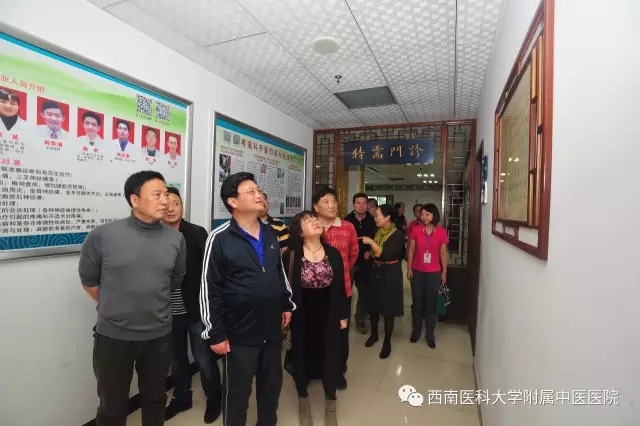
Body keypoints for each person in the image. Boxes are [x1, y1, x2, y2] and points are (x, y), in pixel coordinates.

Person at [78, 170, 187, 426]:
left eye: (167, 194)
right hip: (113, 336)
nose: (165, 201)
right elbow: (90, 281)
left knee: (155, 399)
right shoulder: (103, 235)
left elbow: (175, 280)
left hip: (158, 335)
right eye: (157, 195)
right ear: (134, 200)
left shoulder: (176, 239)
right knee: (112, 405)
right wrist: (118, 305)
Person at [200, 172, 295, 426]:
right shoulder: (219, 238)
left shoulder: (270, 232)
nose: (258, 195)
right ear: (233, 202)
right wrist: (215, 333)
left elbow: (278, 272)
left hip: (272, 329)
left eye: (258, 190)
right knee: (237, 394)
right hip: (239, 332)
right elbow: (209, 289)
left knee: (271, 387)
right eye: (251, 191)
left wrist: (286, 303)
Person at [161, 187, 221, 423]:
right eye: (166, 204)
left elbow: (210, 271)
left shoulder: (196, 233)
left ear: (182, 207)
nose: (171, 208)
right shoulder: (153, 235)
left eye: (176, 203)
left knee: (203, 358)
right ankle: (182, 398)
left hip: (195, 309)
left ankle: (214, 398)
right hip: (167, 313)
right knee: (176, 360)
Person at [283, 211, 349, 426]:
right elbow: (284, 289)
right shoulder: (290, 255)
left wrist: (342, 315)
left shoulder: (333, 253)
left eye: (315, 219)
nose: (315, 222)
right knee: (300, 355)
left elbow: (340, 288)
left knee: (331, 355)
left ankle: (331, 402)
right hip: (301, 314)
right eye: (308, 221)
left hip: (328, 312)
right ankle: (303, 400)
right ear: (300, 232)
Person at [312, 187, 358, 390]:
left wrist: (341, 274)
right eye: (326, 201)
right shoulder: (310, 227)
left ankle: (338, 370)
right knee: (316, 332)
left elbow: (353, 255)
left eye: (334, 201)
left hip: (341, 291)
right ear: (316, 207)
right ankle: (317, 367)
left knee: (340, 333)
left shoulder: (348, 227)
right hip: (313, 293)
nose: (332, 205)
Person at [359, 204, 405, 359]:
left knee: (388, 309)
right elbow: (376, 251)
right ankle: (374, 335)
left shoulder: (397, 234)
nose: (375, 218)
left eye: (378, 215)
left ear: (388, 217)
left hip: (390, 273)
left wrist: (371, 243)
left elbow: (385, 254)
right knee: (373, 305)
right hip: (376, 271)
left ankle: (387, 342)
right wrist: (369, 252)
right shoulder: (378, 231)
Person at [406, 203, 449, 348]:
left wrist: (444, 272)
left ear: (434, 215)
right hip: (417, 271)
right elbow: (411, 250)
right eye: (422, 214)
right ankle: (416, 331)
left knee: (431, 305)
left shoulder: (442, 232)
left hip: (434, 273)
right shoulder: (416, 230)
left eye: (427, 214)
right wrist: (409, 268)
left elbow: (443, 253)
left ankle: (430, 334)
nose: (424, 217)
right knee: (417, 303)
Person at [344, 192, 377, 334]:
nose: (361, 206)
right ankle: (344, 318)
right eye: (358, 203)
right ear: (354, 205)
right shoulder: (347, 221)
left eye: (364, 203)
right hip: (349, 262)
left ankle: (360, 319)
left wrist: (370, 251)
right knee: (346, 292)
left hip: (366, 262)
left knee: (364, 293)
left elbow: (377, 240)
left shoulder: (373, 221)